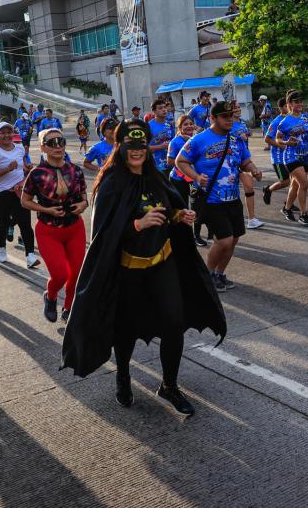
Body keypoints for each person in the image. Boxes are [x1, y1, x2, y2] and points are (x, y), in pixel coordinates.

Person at [62, 119, 225, 415]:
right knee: (125, 331)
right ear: (120, 147)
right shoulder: (110, 182)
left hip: (162, 263)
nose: (137, 152)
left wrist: (179, 216)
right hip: (128, 269)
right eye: (130, 147)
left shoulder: (156, 176)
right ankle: (123, 377)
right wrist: (137, 224)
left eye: (141, 147)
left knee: (174, 325)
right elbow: (104, 233)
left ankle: (169, 386)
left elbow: (169, 209)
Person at [176, 101, 263, 292]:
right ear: (213, 118)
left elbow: (245, 161)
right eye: (224, 117)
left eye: (230, 116)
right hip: (211, 200)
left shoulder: (236, 138)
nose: (229, 120)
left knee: (234, 239)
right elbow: (180, 161)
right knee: (223, 240)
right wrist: (197, 177)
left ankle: (220, 274)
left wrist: (254, 170)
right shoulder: (199, 140)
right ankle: (207, 275)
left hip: (232, 198)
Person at [22, 128, 88, 323]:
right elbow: (25, 201)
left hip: (75, 227)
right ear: (43, 147)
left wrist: (83, 204)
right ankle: (50, 297)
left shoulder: (75, 170)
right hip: (48, 231)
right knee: (60, 274)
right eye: (51, 143)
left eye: (60, 141)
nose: (58, 146)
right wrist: (47, 210)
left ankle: (69, 307)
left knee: (76, 273)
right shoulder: (36, 173)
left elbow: (84, 196)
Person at [0, 122, 39, 268]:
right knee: (3, 222)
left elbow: (23, 166)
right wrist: (7, 169)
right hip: (0, 194)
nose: (6, 135)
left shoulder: (20, 149)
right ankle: (2, 249)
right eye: (2, 133)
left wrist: (27, 168)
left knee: (25, 224)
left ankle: (30, 256)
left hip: (19, 192)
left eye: (9, 132)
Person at [274, 91, 308, 225]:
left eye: (301, 101)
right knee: (304, 184)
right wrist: (286, 143)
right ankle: (303, 214)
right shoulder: (285, 121)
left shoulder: (306, 118)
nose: (300, 104)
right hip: (291, 157)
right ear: (289, 104)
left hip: (305, 156)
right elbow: (278, 139)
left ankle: (286, 208)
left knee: (296, 185)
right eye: (296, 102)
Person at [166, 115, 205, 246]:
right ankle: (183, 235)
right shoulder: (175, 142)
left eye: (190, 123)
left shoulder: (197, 140)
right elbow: (170, 161)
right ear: (180, 127)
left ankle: (197, 235)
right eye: (185, 124)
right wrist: (185, 165)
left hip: (195, 178)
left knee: (197, 208)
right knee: (182, 208)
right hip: (178, 179)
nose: (188, 126)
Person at [230, 100, 263, 229]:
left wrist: (255, 170)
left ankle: (252, 219)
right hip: (229, 161)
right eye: (235, 108)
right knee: (233, 191)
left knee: (249, 185)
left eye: (239, 107)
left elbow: (246, 136)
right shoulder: (227, 125)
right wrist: (238, 136)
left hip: (243, 157)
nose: (238, 109)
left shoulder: (242, 123)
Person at [261, 98, 293, 211]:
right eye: (287, 106)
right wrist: (281, 145)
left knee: (295, 180)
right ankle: (268, 189)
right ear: (281, 108)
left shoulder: (291, 119)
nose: (289, 108)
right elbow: (267, 139)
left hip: (290, 156)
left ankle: (290, 202)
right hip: (278, 158)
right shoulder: (276, 122)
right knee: (285, 181)